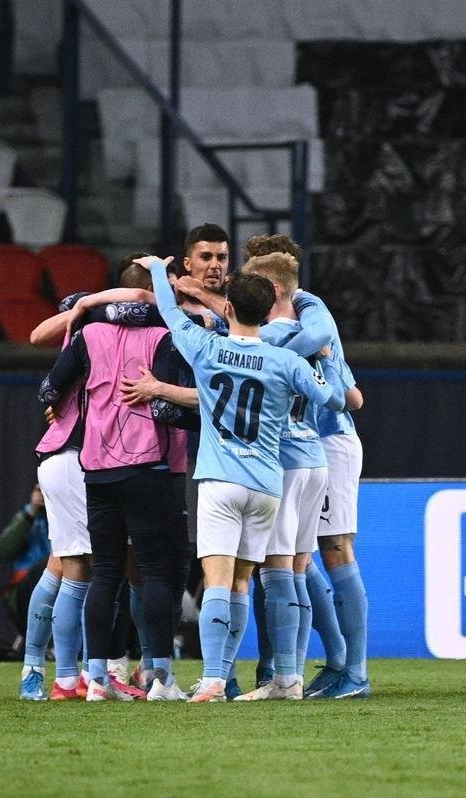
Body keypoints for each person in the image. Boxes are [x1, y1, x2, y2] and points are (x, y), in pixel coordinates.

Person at [134, 255, 345, 703]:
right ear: (269, 312)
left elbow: (171, 314)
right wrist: (323, 361)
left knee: (217, 579)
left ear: (227, 309)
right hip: (267, 484)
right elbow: (334, 401)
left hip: (220, 479)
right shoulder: (285, 360)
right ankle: (244, 674)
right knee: (243, 583)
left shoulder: (207, 349)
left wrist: (157, 269)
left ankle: (213, 678)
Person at [39, 298, 195, 702]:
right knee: (156, 573)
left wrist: (71, 403)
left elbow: (49, 389)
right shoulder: (164, 336)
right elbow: (165, 407)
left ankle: (96, 681)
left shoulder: (89, 334)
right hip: (147, 468)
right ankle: (160, 677)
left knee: (105, 573)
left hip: (97, 468)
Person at [242, 252, 333, 695]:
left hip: (284, 460)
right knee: (297, 568)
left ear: (272, 291)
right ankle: (292, 675)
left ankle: (283, 678)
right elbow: (337, 396)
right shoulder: (310, 337)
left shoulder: (264, 343)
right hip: (314, 456)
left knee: (276, 572)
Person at [0, 483, 56, 699]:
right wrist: (30, 513)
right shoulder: (27, 517)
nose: (43, 495)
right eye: (39, 490)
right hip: (24, 591)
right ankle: (33, 667)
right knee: (45, 567)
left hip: (69, 587)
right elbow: (2, 552)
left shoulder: (68, 515)